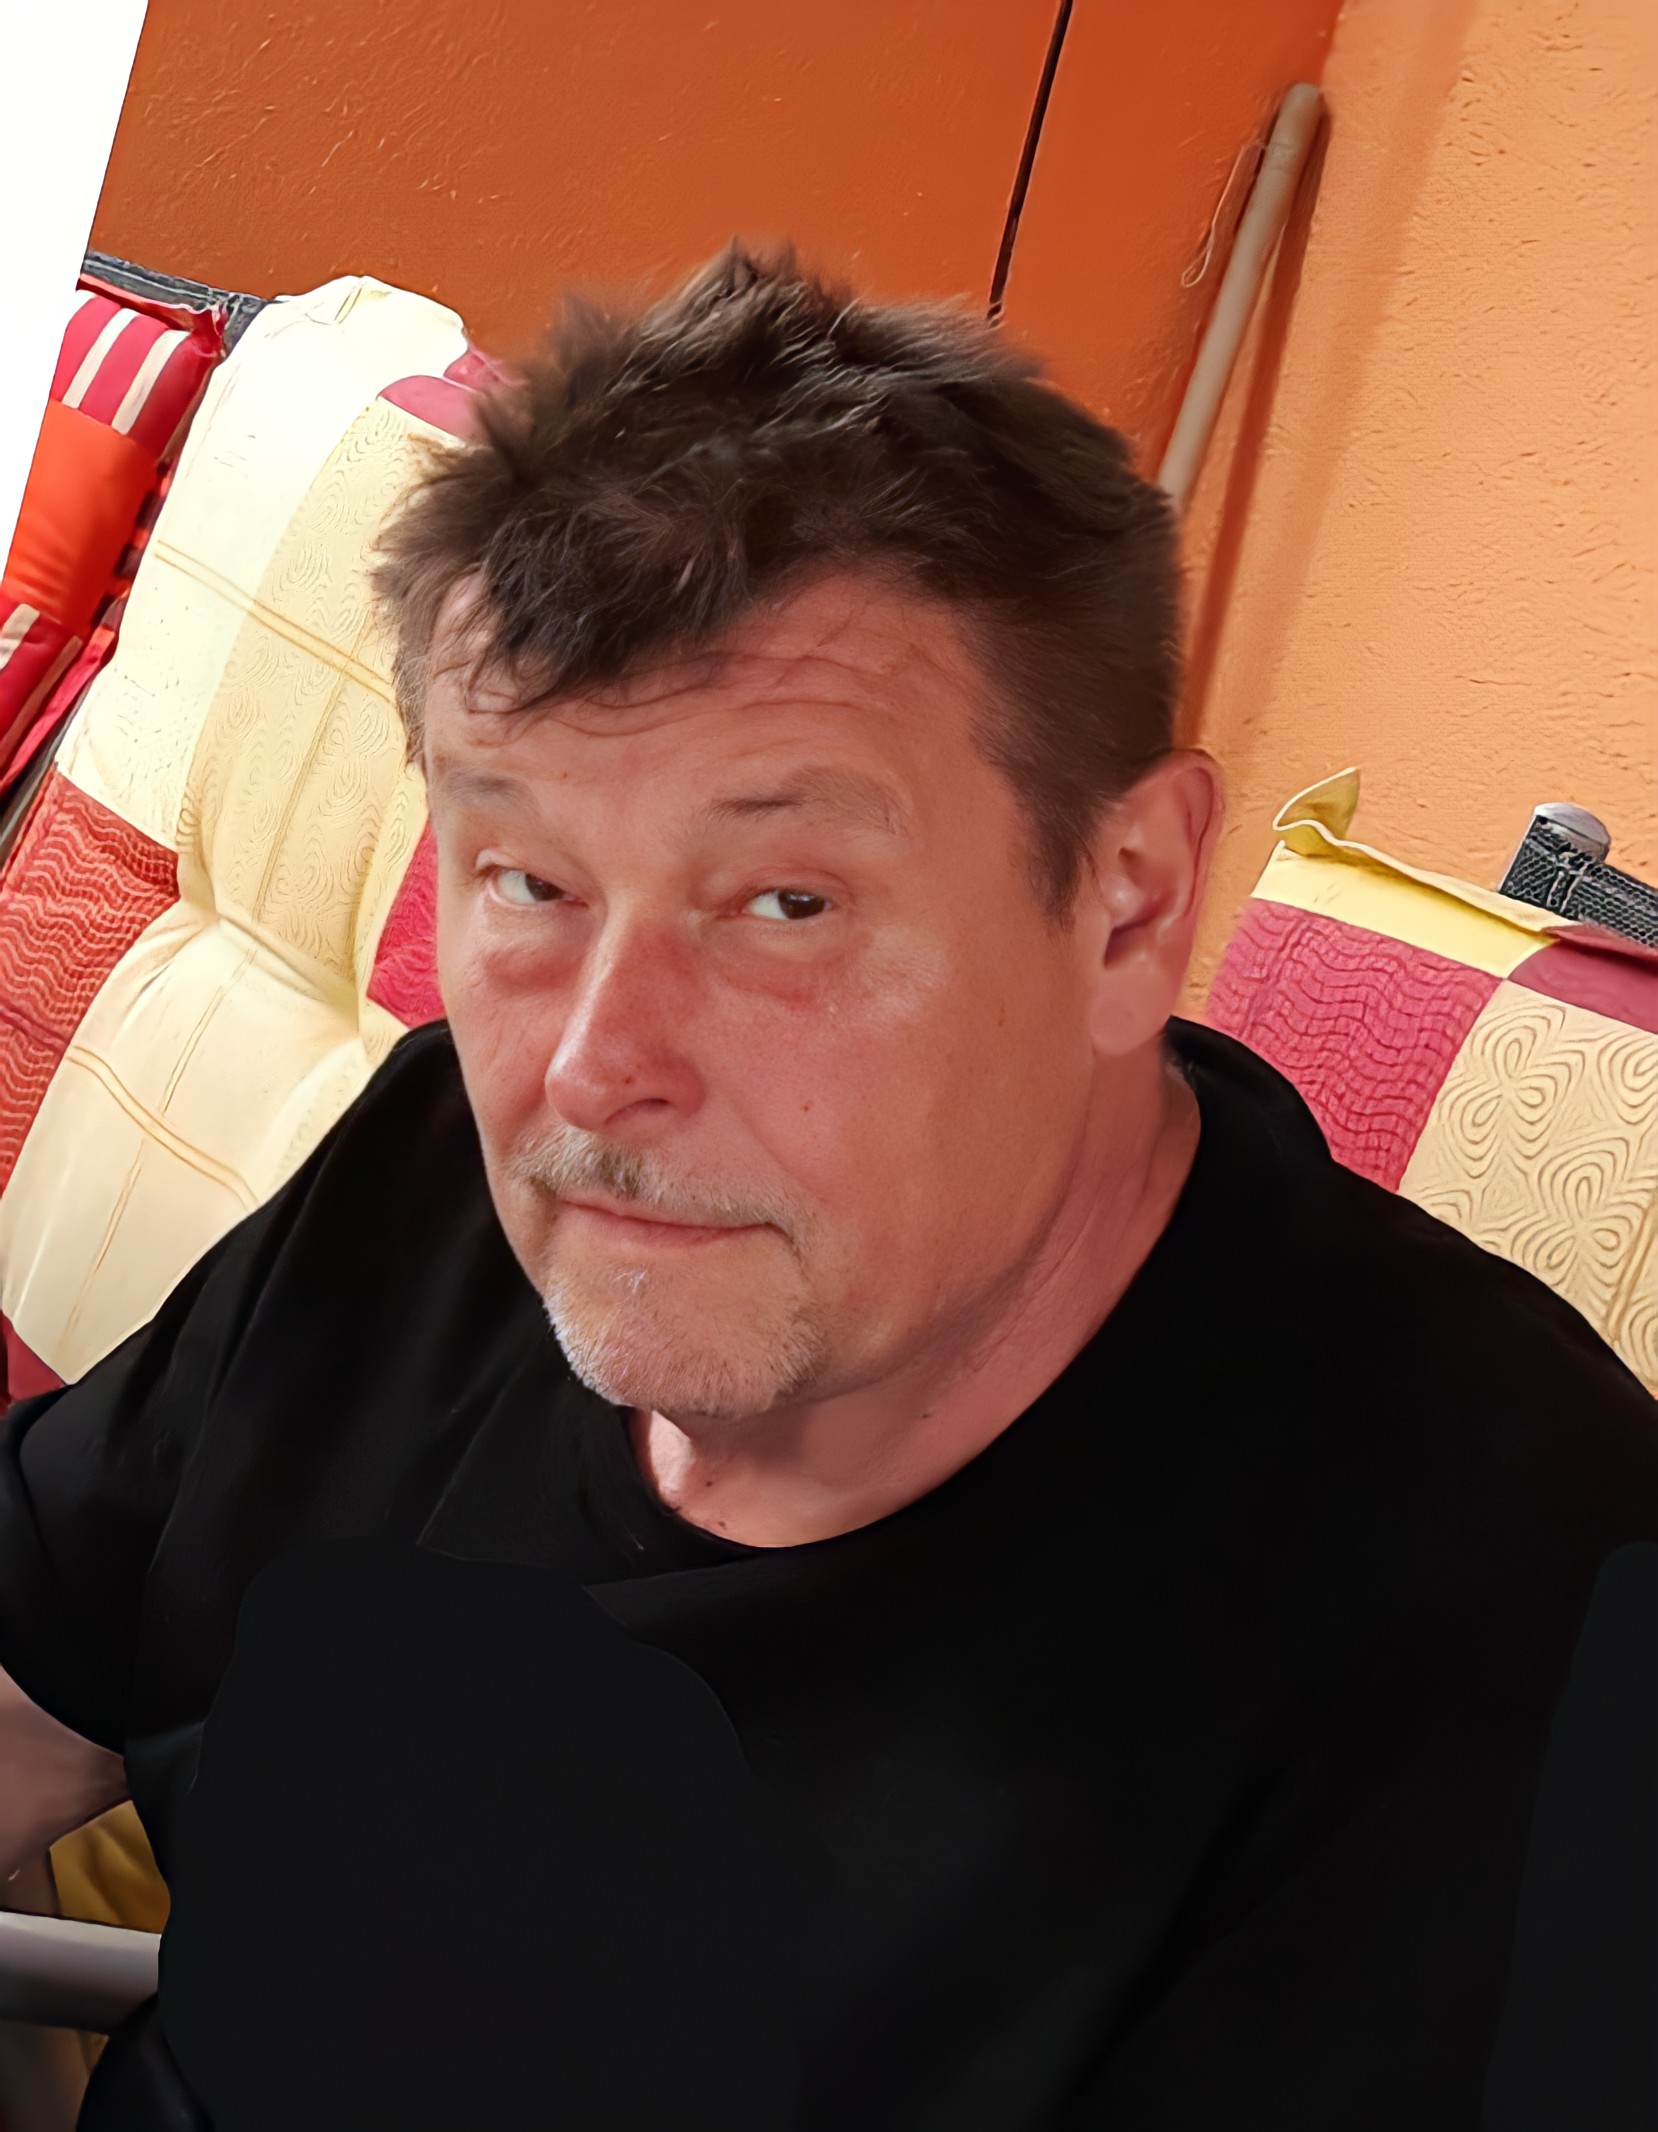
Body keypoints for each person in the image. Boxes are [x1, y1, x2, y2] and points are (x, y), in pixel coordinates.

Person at [1, 243, 1653, 2131]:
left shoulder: (1515, 1659)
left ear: (1127, 905)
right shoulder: (440, 1175)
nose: (593, 1069)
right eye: (528, 880)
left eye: (784, 904)